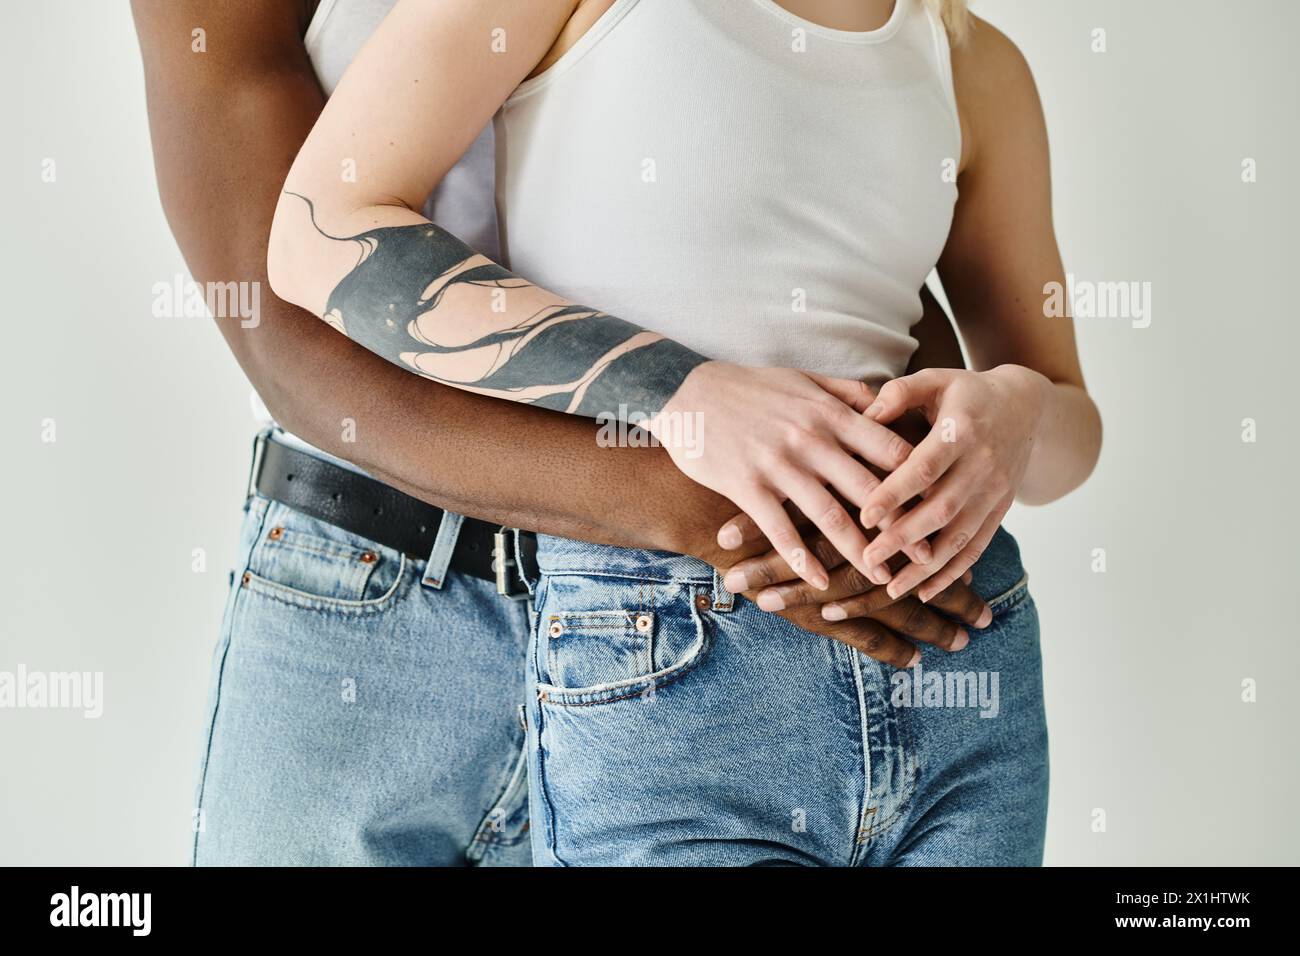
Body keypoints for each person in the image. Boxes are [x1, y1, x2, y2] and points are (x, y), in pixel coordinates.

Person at [132, 0, 992, 866]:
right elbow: (282, 321)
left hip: (699, 626)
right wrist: (698, 504)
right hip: (388, 608)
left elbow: (840, 271)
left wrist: (889, 479)